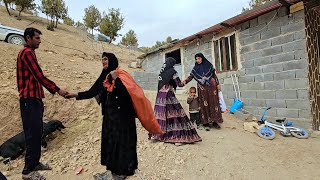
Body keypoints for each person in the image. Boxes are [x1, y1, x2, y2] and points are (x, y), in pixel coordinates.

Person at [66, 52, 138, 180]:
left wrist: (115, 79)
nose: (103, 61)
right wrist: (75, 95)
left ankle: (120, 173)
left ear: (112, 60)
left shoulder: (121, 74)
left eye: (105, 59)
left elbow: (129, 93)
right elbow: (92, 91)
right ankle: (112, 172)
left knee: (120, 144)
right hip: (110, 117)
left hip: (122, 118)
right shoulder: (104, 76)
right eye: (102, 59)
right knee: (110, 144)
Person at [17, 27, 68, 180]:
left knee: (37, 133)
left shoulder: (30, 53)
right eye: (37, 38)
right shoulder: (26, 53)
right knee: (32, 135)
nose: (40, 41)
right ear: (28, 38)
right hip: (29, 101)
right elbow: (39, 76)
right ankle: (27, 172)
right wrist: (57, 89)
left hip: (35, 100)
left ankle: (35, 163)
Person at [151, 57, 202, 146]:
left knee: (161, 116)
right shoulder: (172, 72)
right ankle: (178, 138)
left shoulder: (162, 72)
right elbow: (179, 84)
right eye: (173, 65)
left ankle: (156, 135)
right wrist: (188, 80)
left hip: (160, 97)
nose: (174, 66)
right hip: (168, 96)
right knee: (176, 115)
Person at [182, 52, 223, 131]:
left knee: (214, 103)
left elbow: (214, 75)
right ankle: (206, 123)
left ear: (202, 58)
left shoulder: (209, 65)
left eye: (199, 58)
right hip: (202, 89)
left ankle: (215, 122)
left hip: (212, 88)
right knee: (204, 104)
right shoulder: (195, 68)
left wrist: (217, 84)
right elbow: (191, 76)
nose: (197, 60)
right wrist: (184, 82)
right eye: (196, 59)